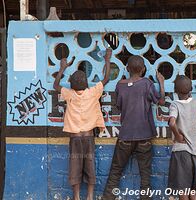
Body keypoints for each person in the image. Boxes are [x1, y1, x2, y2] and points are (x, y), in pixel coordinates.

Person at [102, 55, 165, 200]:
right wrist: (161, 83)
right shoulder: (147, 84)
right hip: (144, 137)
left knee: (116, 171)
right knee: (145, 174)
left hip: (125, 136)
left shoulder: (120, 85)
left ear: (127, 69)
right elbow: (161, 101)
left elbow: (118, 105)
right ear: (143, 69)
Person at [53, 48, 112, 200]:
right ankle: (90, 196)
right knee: (90, 165)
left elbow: (55, 85)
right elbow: (106, 78)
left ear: (72, 85)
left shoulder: (69, 93)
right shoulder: (93, 92)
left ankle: (76, 196)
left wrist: (62, 68)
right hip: (88, 138)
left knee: (75, 167)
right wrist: (107, 59)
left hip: (75, 139)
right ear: (86, 83)